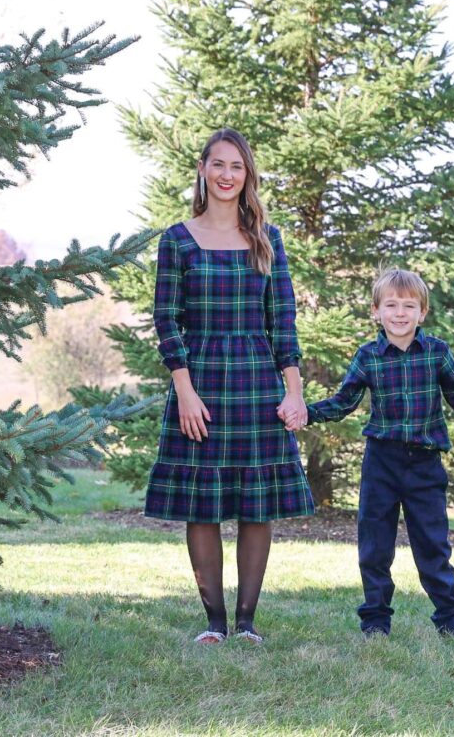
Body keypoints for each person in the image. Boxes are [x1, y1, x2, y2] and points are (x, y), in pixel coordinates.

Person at [145, 128, 314, 645]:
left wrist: (294, 390)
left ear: (248, 175)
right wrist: (185, 389)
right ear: (202, 169)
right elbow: (167, 320)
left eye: (236, 166)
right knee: (202, 503)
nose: (226, 175)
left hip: (258, 382)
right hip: (200, 383)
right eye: (218, 164)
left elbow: (282, 320)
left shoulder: (268, 238)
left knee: (255, 504)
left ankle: (247, 624)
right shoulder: (177, 240)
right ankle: (214, 623)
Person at [306, 268, 454, 640]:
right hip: (382, 462)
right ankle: (375, 621)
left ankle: (450, 622)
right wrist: (304, 413)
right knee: (375, 545)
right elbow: (343, 402)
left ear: (422, 312)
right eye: (391, 305)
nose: (400, 313)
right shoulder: (368, 356)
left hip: (425, 464)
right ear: (376, 311)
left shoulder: (437, 352)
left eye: (409, 305)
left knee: (433, 546)